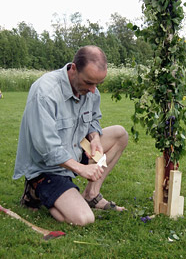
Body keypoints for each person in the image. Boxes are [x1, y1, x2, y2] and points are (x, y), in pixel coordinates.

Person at [13, 45, 128, 226]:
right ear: (73, 69)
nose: (93, 90)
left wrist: (95, 138)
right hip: (47, 167)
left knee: (120, 134)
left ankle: (91, 195)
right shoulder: (45, 93)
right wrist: (82, 169)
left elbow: (93, 120)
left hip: (74, 148)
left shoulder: (90, 90)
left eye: (98, 84)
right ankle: (34, 190)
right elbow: (48, 149)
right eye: (89, 82)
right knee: (84, 219)